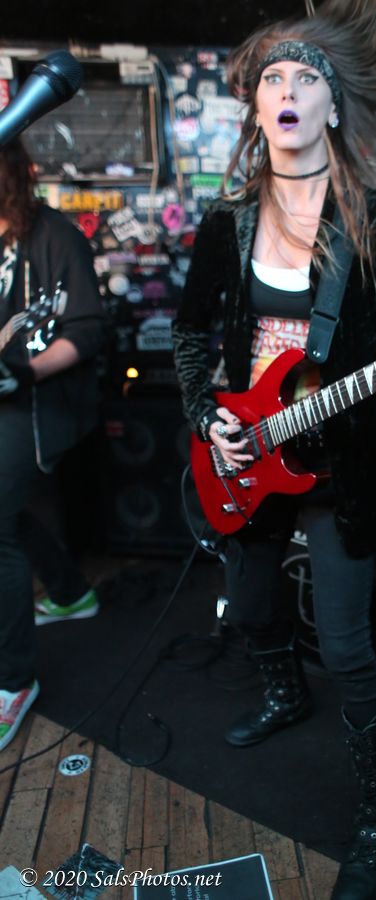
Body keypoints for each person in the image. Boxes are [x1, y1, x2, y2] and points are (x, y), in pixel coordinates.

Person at [172, 2, 376, 897]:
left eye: (307, 78)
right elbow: (189, 335)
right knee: (252, 608)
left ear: (332, 106)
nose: (288, 90)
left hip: (342, 463)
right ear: (257, 107)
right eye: (273, 79)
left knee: (343, 645)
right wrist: (206, 416)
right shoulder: (226, 222)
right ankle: (280, 692)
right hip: (250, 451)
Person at [0, 138, 106, 751]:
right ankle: (70, 592)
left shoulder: (54, 236)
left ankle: (11, 681)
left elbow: (86, 330)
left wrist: (25, 371)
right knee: (6, 516)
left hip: (35, 402)